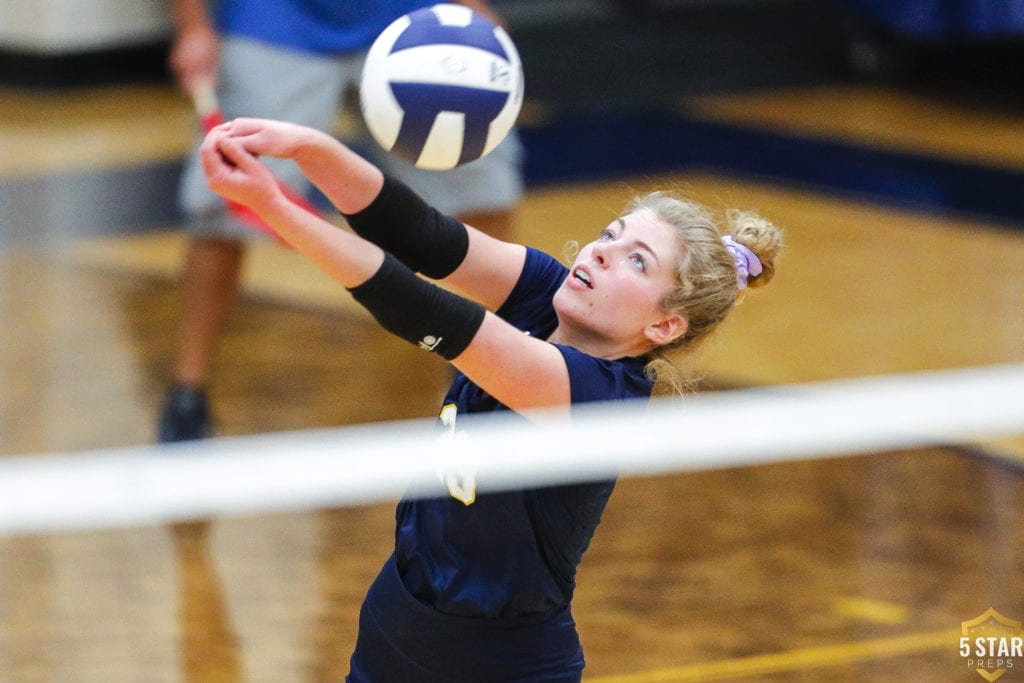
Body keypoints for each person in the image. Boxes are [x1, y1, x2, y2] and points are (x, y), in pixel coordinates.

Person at [199, 117, 782, 681]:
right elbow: (422, 234)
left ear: (664, 327)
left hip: (496, 663)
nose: (602, 252)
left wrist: (278, 209)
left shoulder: (594, 395)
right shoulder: (546, 295)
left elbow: (422, 309)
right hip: (396, 623)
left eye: (637, 261)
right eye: (611, 234)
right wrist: (307, 147)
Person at [159, 0, 523, 442]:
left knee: (482, 189)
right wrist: (193, 25)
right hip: (272, 20)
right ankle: (186, 394)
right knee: (220, 209)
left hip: (412, 15)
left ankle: (482, 386)